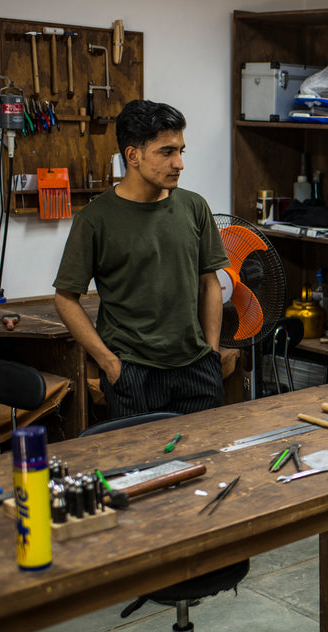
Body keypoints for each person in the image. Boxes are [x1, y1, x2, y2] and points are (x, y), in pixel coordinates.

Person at [54, 100, 230, 419]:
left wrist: (212, 352)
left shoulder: (194, 207)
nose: (179, 163)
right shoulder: (95, 219)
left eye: (181, 151)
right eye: (167, 152)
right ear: (133, 156)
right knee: (138, 468)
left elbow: (210, 284)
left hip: (196, 369)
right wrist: (110, 364)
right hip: (133, 374)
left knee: (206, 462)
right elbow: (66, 299)